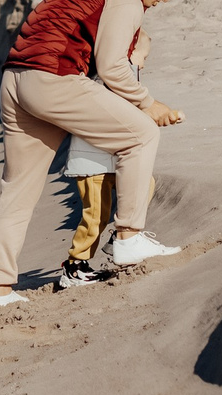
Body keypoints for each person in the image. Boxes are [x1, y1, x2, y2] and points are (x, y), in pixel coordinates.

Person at [0, 0, 187, 306]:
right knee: (141, 134)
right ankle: (127, 238)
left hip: (14, 79)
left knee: (17, 189)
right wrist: (149, 104)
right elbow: (110, 67)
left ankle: (1, 291)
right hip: (53, 79)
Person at [55, 24, 150, 289]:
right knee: (95, 215)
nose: (145, 62)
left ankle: (120, 238)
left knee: (146, 184)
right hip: (91, 162)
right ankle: (75, 267)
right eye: (144, 55)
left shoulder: (126, 74)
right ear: (129, 52)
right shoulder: (108, 76)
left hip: (114, 159)